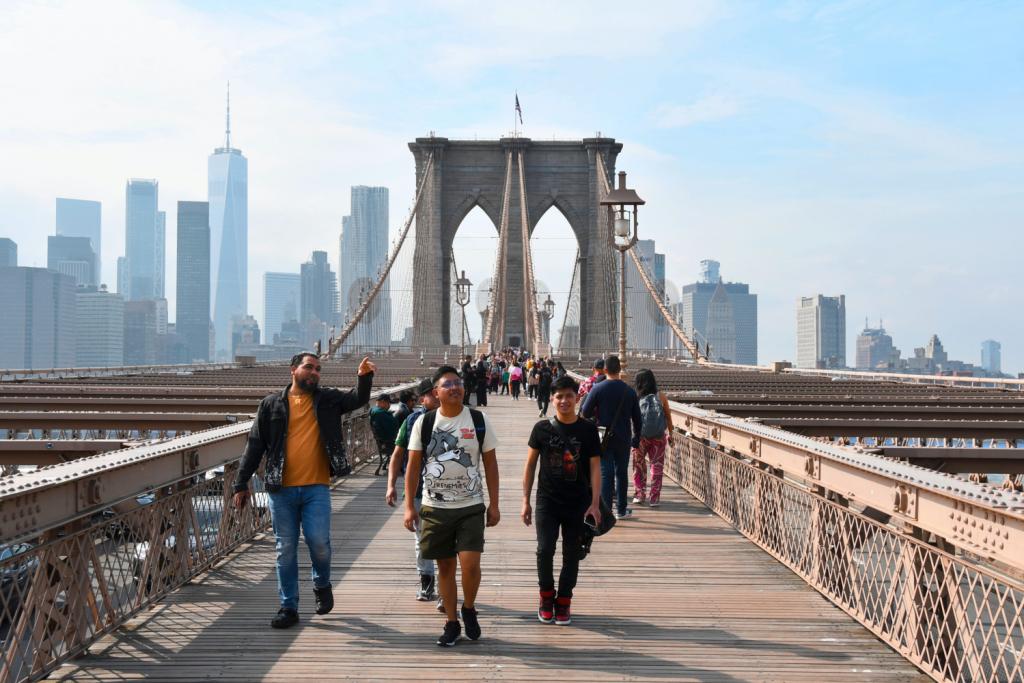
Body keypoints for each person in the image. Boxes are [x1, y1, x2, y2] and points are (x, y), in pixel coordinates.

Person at [233, 353, 375, 629]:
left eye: (318, 369)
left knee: (318, 542)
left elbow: (358, 399)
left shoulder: (328, 400)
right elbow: (254, 445)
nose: (314, 373)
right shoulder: (271, 404)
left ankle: (321, 584)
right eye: (309, 367)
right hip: (280, 489)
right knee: (285, 549)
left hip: (316, 487)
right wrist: (241, 483)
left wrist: (364, 377)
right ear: (293, 370)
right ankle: (289, 607)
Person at [404, 366, 500, 647]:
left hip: (470, 505)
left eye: (458, 383)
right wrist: (409, 506)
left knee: (470, 565)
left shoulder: (479, 420)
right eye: (448, 384)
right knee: (445, 568)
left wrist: (494, 504)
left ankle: (468, 607)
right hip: (435, 507)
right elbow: (412, 467)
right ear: (436, 392)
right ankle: (451, 622)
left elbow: (491, 465)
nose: (455, 387)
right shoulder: (424, 423)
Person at [522, 375, 602, 626]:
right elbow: (530, 465)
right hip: (547, 501)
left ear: (577, 398)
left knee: (571, 554)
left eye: (569, 396)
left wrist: (595, 503)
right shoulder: (541, 429)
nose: (564, 400)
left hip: (578, 502)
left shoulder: (588, 430)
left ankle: (564, 600)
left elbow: (595, 468)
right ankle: (546, 597)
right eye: (559, 396)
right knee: (544, 550)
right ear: (551, 399)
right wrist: (525, 500)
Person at [386, 378, 441, 603]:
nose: (438, 396)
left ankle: (448, 587)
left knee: (449, 541)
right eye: (432, 393)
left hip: (450, 492)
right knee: (423, 539)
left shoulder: (461, 419)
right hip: (418, 489)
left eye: (440, 391)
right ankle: (427, 580)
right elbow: (397, 454)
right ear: (422, 398)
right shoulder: (411, 421)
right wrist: (391, 485)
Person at [581, 355, 641, 520]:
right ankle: (621, 510)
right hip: (624, 435)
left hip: (602, 433)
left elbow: (585, 412)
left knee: (605, 473)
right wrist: (637, 438)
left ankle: (606, 511)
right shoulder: (629, 391)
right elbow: (637, 418)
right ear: (620, 370)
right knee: (621, 472)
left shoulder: (598, 388)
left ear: (605, 369)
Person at [631, 370, 674, 508]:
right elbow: (667, 415)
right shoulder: (661, 396)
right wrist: (671, 433)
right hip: (658, 437)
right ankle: (654, 498)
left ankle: (640, 494)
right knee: (657, 466)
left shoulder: (635, 396)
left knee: (638, 465)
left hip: (640, 437)